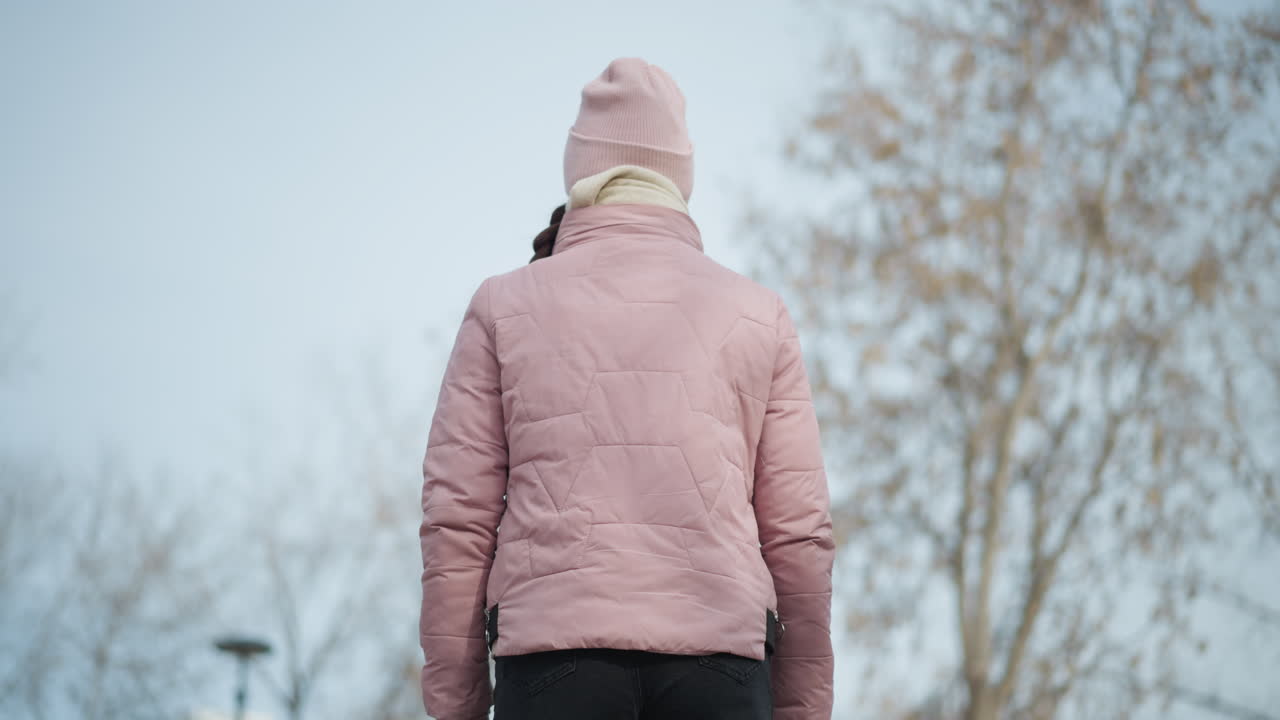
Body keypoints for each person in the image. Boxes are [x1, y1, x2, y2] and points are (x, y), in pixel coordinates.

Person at [418, 56, 834, 720]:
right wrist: (801, 706)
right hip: (720, 669)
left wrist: (458, 702)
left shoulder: (502, 305)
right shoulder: (758, 315)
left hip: (553, 666)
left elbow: (457, 520)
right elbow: (798, 534)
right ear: (679, 179)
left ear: (580, 173)